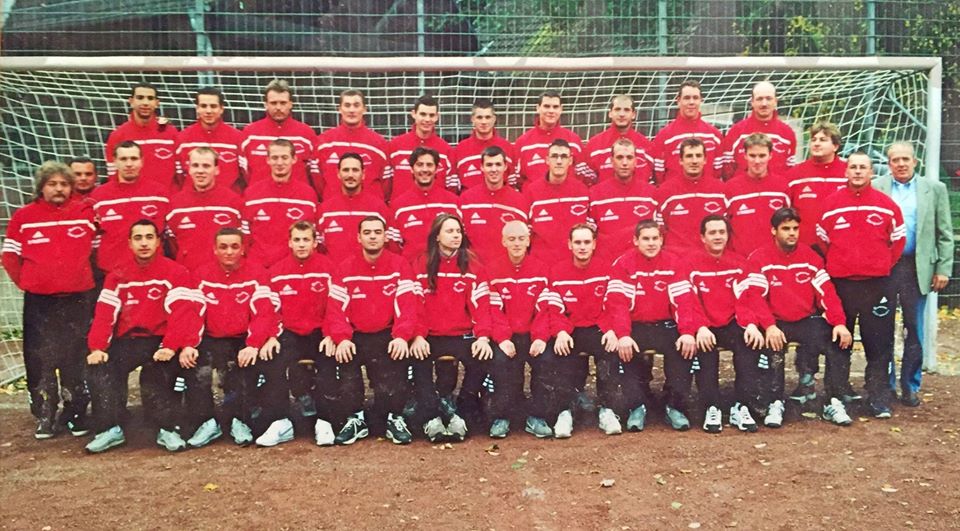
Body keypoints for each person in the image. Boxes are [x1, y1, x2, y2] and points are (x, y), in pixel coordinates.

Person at [84, 220, 203, 453]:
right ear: (129, 243)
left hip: (160, 341)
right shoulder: (117, 274)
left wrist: (170, 346)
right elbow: (105, 314)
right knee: (100, 367)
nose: (144, 243)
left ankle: (166, 429)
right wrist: (97, 347)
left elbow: (181, 313)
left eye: (149, 237)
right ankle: (110, 429)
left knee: (156, 374)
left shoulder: (176, 272)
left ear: (158, 242)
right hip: (127, 341)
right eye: (138, 238)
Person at [2, 162, 97, 439]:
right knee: (40, 359)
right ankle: (44, 414)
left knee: (76, 357)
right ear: (41, 187)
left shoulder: (84, 213)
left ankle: (76, 413)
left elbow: (97, 252)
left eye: (64, 184)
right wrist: (29, 283)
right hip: (41, 304)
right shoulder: (24, 216)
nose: (59, 189)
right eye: (52, 184)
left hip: (77, 301)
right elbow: (10, 257)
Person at [747, 207, 855, 427]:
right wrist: (769, 326)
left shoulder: (811, 258)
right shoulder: (759, 258)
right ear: (774, 230)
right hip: (776, 322)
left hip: (806, 320)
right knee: (772, 347)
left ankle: (833, 401)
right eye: (785, 228)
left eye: (795, 228)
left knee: (838, 339)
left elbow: (827, 293)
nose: (792, 233)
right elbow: (755, 297)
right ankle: (774, 402)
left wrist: (839, 323)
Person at [817, 152, 905, 418]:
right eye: (853, 167)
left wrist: (880, 265)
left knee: (878, 342)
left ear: (871, 172)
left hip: (877, 286)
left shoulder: (886, 205)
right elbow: (823, 240)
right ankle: (837, 394)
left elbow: (898, 241)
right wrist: (842, 263)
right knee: (838, 340)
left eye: (863, 167)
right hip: (841, 284)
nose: (857, 171)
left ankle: (877, 397)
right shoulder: (831, 204)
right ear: (846, 172)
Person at [324, 216, 419, 445]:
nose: (373, 237)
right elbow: (335, 310)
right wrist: (342, 338)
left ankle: (394, 418)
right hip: (355, 335)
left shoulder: (399, 265)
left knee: (397, 359)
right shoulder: (345, 267)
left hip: (387, 333)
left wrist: (401, 336)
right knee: (345, 358)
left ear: (386, 237)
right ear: (359, 237)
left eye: (377, 232)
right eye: (367, 233)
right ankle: (355, 418)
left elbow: (407, 306)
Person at [873, 142, 953, 407]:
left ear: (915, 161)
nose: (901, 164)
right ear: (888, 163)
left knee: (914, 329)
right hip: (885, 268)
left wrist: (942, 269)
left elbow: (945, 234)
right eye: (895, 160)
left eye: (905, 159)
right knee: (882, 328)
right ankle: (885, 385)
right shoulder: (877, 187)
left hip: (917, 268)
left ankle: (910, 385)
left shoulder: (934, 189)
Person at [190, 228, 285, 446]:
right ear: (215, 249)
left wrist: (253, 344)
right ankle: (207, 422)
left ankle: (238, 420)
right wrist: (189, 344)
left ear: (243, 249)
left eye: (234, 246)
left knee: (244, 366)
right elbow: (193, 313)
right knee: (197, 368)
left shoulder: (257, 273)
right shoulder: (201, 274)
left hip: (243, 337)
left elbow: (264, 312)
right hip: (211, 338)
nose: (229, 252)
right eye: (223, 247)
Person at [603, 220, 701, 432]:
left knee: (684, 348)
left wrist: (687, 332)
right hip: (635, 325)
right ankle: (636, 407)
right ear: (636, 241)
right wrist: (623, 334)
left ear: (661, 240)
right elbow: (618, 304)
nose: (651, 243)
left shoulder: (673, 262)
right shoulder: (623, 263)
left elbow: (684, 301)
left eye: (655, 238)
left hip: (665, 325)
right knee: (625, 351)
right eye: (646, 239)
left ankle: (674, 406)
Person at [409, 214, 495, 442]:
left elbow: (481, 306)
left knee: (483, 356)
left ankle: (462, 411)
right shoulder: (421, 264)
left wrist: (483, 337)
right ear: (437, 236)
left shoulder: (473, 265)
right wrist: (417, 336)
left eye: (458, 231)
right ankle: (431, 416)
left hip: (462, 334)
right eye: (449, 231)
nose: (456, 236)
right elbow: (415, 305)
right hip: (429, 336)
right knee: (417, 359)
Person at [680, 215, 768, 433]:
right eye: (712, 232)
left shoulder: (739, 263)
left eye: (722, 232)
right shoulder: (689, 264)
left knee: (750, 342)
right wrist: (700, 327)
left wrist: (750, 324)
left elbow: (747, 297)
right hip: (705, 325)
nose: (718, 237)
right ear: (703, 237)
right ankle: (712, 407)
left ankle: (741, 406)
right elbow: (688, 300)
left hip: (732, 322)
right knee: (705, 348)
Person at [538, 224, 619, 437]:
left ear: (594, 244)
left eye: (586, 242)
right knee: (561, 351)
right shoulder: (557, 271)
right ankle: (565, 412)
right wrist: (561, 332)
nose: (582, 247)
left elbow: (613, 304)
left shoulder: (607, 269)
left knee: (610, 351)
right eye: (578, 242)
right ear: (570, 245)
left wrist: (611, 330)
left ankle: (607, 410)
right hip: (571, 329)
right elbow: (554, 308)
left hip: (599, 328)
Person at [267, 221, 340, 444]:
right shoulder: (276, 272)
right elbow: (270, 309)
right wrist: (271, 336)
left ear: (315, 243)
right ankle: (281, 422)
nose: (301, 244)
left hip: (320, 332)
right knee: (272, 359)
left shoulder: (328, 268)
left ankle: (324, 422)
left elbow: (335, 306)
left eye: (306, 239)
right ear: (289, 243)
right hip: (290, 333)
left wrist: (331, 334)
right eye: (297, 240)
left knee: (328, 362)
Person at [486, 220, 557, 438]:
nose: (516, 243)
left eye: (521, 238)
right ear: (503, 242)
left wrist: (540, 338)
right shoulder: (493, 270)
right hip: (507, 336)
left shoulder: (541, 269)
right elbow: (494, 310)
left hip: (533, 335)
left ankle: (537, 416)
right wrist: (502, 338)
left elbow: (544, 309)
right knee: (500, 362)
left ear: (528, 241)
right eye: (511, 239)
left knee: (546, 360)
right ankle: (503, 416)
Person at [90, 141, 170, 275]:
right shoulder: (99, 196)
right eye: (123, 159)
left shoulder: (159, 193)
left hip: (152, 271)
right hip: (112, 273)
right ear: (115, 161)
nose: (129, 164)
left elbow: (168, 235)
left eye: (133, 158)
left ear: (142, 161)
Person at [166, 146, 245, 270]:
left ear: (217, 170)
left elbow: (242, 243)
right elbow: (172, 245)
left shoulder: (233, 202)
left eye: (206, 166)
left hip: (222, 275)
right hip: (189, 275)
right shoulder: (175, 205)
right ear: (189, 169)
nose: (200, 171)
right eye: (195, 165)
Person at [243, 139, 318, 267]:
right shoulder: (252, 194)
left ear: (294, 159)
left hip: (292, 268)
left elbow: (312, 235)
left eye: (284, 157)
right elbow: (245, 236)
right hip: (259, 266)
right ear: (268, 160)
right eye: (275, 158)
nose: (279, 163)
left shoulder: (307, 194)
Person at [240, 79, 318, 190]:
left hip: (296, 197)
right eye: (273, 103)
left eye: (283, 103)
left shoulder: (306, 134)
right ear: (266, 104)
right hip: (260, 197)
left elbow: (313, 173)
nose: (278, 107)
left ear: (290, 104)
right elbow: (243, 171)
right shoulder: (250, 134)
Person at [588, 138, 659, 258]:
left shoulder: (651, 193)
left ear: (636, 161)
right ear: (611, 161)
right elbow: (590, 236)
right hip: (607, 261)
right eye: (620, 157)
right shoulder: (595, 194)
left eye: (629, 158)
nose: (624, 163)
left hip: (641, 261)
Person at [458, 145, 530, 261]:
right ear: (481, 167)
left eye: (498, 164)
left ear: (505, 166)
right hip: (476, 268)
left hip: (506, 268)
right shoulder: (466, 200)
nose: (494, 169)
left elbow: (524, 241)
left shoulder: (520, 201)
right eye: (489, 165)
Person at [388, 147, 461, 261]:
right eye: (420, 165)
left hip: (444, 268)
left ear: (437, 169)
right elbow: (394, 246)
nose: (425, 169)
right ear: (411, 169)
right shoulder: (398, 205)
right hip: (411, 269)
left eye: (429, 165)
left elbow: (460, 241)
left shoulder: (453, 202)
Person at [315, 89, 389, 200]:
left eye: (356, 105)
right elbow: (316, 179)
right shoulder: (324, 141)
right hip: (333, 206)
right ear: (339, 109)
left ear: (364, 109)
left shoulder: (379, 143)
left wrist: (373, 201)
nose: (351, 110)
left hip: (368, 207)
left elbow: (386, 183)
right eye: (347, 105)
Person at [523, 139, 591, 261]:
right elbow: (525, 231)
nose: (559, 161)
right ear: (547, 160)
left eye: (563, 157)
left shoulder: (582, 190)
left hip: (572, 262)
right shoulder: (532, 191)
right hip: (542, 262)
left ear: (570, 161)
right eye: (554, 156)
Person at [723, 133, 791, 255]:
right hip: (741, 259)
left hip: (773, 258)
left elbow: (789, 225)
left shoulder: (782, 186)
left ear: (770, 155)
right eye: (752, 155)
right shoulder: (731, 188)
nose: (757, 161)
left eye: (762, 155)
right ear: (745, 155)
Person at [104, 82, 179, 191]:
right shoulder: (118, 136)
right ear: (131, 101)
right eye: (140, 98)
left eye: (150, 98)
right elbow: (113, 177)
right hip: (134, 198)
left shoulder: (171, 133)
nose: (145, 103)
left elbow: (180, 173)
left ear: (157, 103)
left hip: (167, 198)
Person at [785, 121, 847, 250]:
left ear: (835, 146)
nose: (816, 143)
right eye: (813, 140)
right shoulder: (794, 175)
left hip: (840, 246)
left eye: (823, 140)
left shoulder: (848, 173)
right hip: (804, 247)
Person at [315, 153, 391, 258]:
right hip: (334, 268)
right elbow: (318, 250)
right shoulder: (325, 210)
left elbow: (389, 246)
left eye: (355, 170)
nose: (350, 175)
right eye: (346, 170)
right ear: (338, 173)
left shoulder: (378, 208)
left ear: (363, 174)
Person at [655, 138, 726, 249]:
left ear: (705, 160)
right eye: (689, 156)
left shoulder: (720, 190)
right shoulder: (665, 191)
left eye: (698, 156)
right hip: (677, 256)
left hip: (709, 255)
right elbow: (660, 229)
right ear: (680, 160)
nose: (694, 161)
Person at [719, 81, 797, 180]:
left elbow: (790, 171)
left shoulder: (787, 133)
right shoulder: (737, 131)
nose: (764, 103)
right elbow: (727, 170)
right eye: (759, 99)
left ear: (775, 101)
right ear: (752, 102)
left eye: (768, 98)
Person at [652, 80, 724, 183]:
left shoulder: (714, 135)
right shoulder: (664, 136)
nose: (691, 102)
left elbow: (718, 173)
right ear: (678, 101)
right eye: (686, 98)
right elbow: (658, 175)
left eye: (695, 98)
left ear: (701, 101)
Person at [385, 95, 454, 202]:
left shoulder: (446, 150)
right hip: (403, 209)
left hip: (435, 209)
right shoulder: (395, 147)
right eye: (423, 114)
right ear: (414, 114)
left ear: (437, 117)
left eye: (431, 115)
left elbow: (451, 189)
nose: (427, 119)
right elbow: (385, 184)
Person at [514, 91, 590, 188]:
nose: (551, 111)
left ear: (561, 109)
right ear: (538, 108)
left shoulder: (574, 140)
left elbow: (583, 177)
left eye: (555, 107)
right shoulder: (523, 143)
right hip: (535, 196)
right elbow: (517, 180)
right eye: (546, 106)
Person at [175, 87, 245, 192]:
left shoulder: (237, 138)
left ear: (221, 109)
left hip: (227, 199)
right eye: (203, 106)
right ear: (197, 108)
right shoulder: (183, 138)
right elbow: (178, 177)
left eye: (213, 106)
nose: (208, 111)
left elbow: (244, 174)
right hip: (193, 199)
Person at [583, 94, 655, 184]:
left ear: (633, 114)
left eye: (626, 110)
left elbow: (651, 181)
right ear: (610, 113)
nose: (621, 114)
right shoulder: (594, 145)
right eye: (617, 109)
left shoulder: (647, 146)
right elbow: (588, 182)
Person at [451, 99, 517, 191]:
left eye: (487, 117)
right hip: (470, 200)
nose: (484, 122)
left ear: (494, 119)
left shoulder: (507, 147)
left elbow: (513, 185)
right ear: (472, 119)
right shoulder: (460, 149)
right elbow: (453, 188)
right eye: (479, 117)